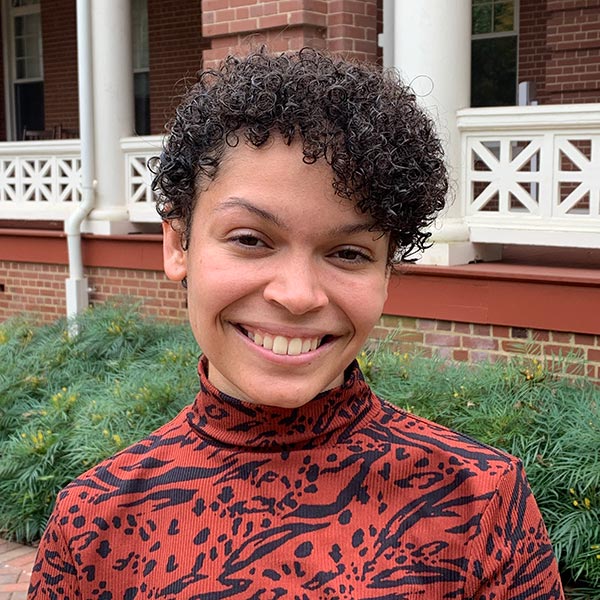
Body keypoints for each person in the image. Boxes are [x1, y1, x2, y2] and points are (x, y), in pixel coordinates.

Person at [28, 47, 564, 599]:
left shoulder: (479, 503)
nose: (297, 296)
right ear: (178, 244)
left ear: (387, 273)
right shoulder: (94, 526)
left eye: (349, 253)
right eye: (251, 240)